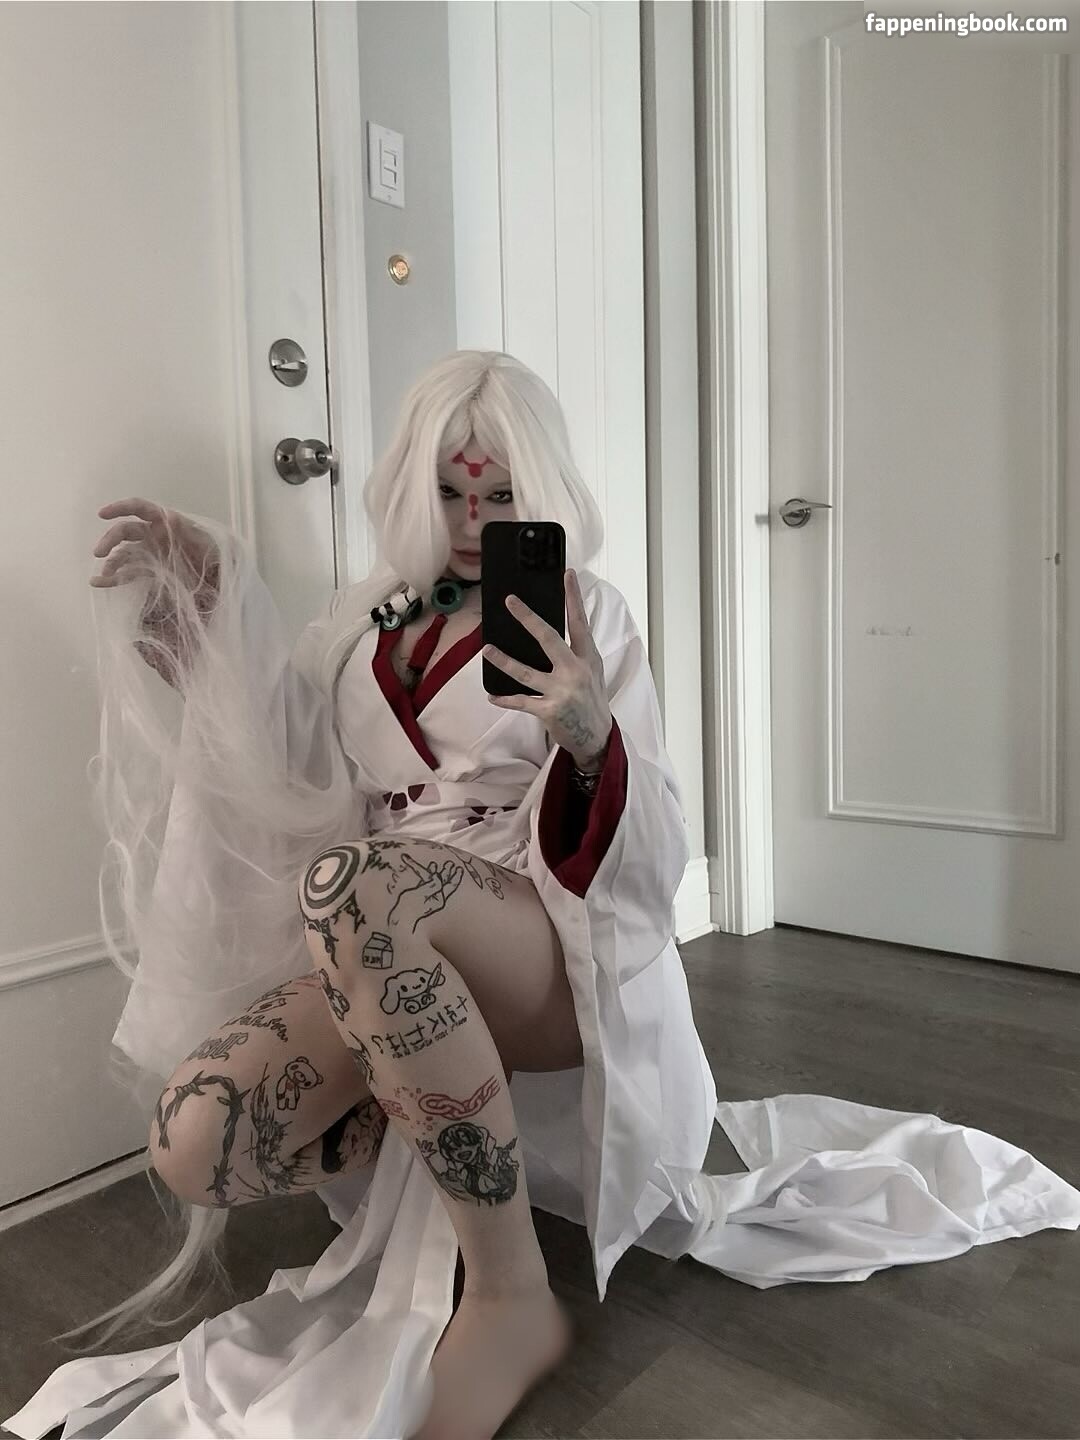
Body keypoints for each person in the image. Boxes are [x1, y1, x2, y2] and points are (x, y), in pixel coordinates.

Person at [7, 351, 1079, 1440]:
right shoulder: (360, 622)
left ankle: (511, 1297)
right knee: (196, 1139)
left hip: (543, 942)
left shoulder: (586, 613)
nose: (474, 519)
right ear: (408, 485)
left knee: (362, 889)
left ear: (544, 488)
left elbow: (652, 852)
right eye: (448, 490)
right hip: (372, 927)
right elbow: (291, 777)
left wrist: (586, 728)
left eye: (502, 492)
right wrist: (214, 613)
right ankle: (411, 1112)